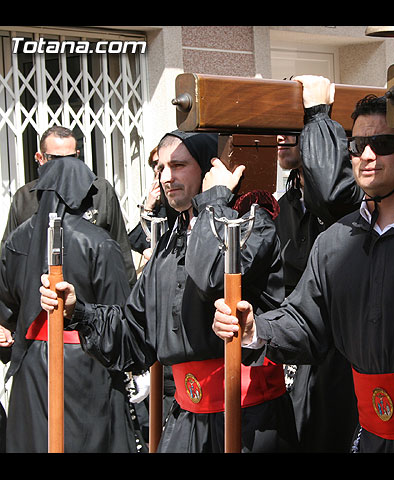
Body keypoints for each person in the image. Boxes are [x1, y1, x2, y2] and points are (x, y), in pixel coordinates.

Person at [214, 94, 394, 453]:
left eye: (382, 144)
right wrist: (256, 328)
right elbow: (306, 323)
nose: (366, 156)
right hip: (374, 435)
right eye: (357, 145)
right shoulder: (335, 241)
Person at [40, 130, 298, 453]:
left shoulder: (250, 225)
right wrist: (77, 312)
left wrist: (214, 201)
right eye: (161, 167)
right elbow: (134, 334)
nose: (166, 177)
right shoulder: (168, 244)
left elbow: (212, 276)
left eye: (178, 165)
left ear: (207, 168)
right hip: (187, 422)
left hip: (248, 421)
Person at [0, 155, 145, 452]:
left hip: (32, 363)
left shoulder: (16, 240)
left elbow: (6, 308)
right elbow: (118, 315)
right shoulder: (99, 242)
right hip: (86, 365)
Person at [274, 75, 361, 452]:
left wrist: (318, 115)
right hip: (301, 351)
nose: (281, 137)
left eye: (295, 128)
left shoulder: (347, 193)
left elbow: (331, 194)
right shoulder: (286, 200)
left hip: (342, 354)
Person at [2, 126, 137, 287]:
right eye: (56, 159)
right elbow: (8, 258)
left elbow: (121, 249)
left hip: (92, 299)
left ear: (78, 155)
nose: (64, 166)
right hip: (42, 299)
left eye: (71, 158)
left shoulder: (100, 192)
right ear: (40, 158)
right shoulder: (24, 197)